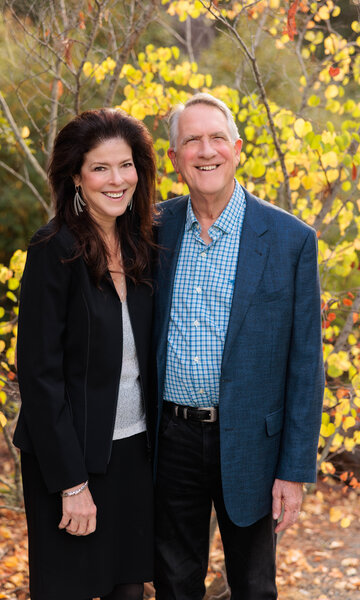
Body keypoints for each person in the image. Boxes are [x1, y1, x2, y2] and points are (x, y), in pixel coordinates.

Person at [152, 93, 324, 600]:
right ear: (174, 157)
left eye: (216, 137)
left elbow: (305, 366)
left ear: (237, 148)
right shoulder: (151, 230)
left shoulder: (291, 240)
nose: (206, 151)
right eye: (191, 141)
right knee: (174, 584)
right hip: (171, 439)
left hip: (254, 443)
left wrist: (294, 472)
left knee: (252, 586)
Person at [13, 108, 157, 600]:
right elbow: (39, 375)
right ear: (76, 176)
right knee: (67, 590)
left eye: (126, 165)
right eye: (100, 168)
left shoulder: (144, 244)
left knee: (129, 591)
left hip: (134, 454)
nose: (117, 180)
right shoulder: (53, 249)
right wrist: (72, 485)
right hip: (69, 460)